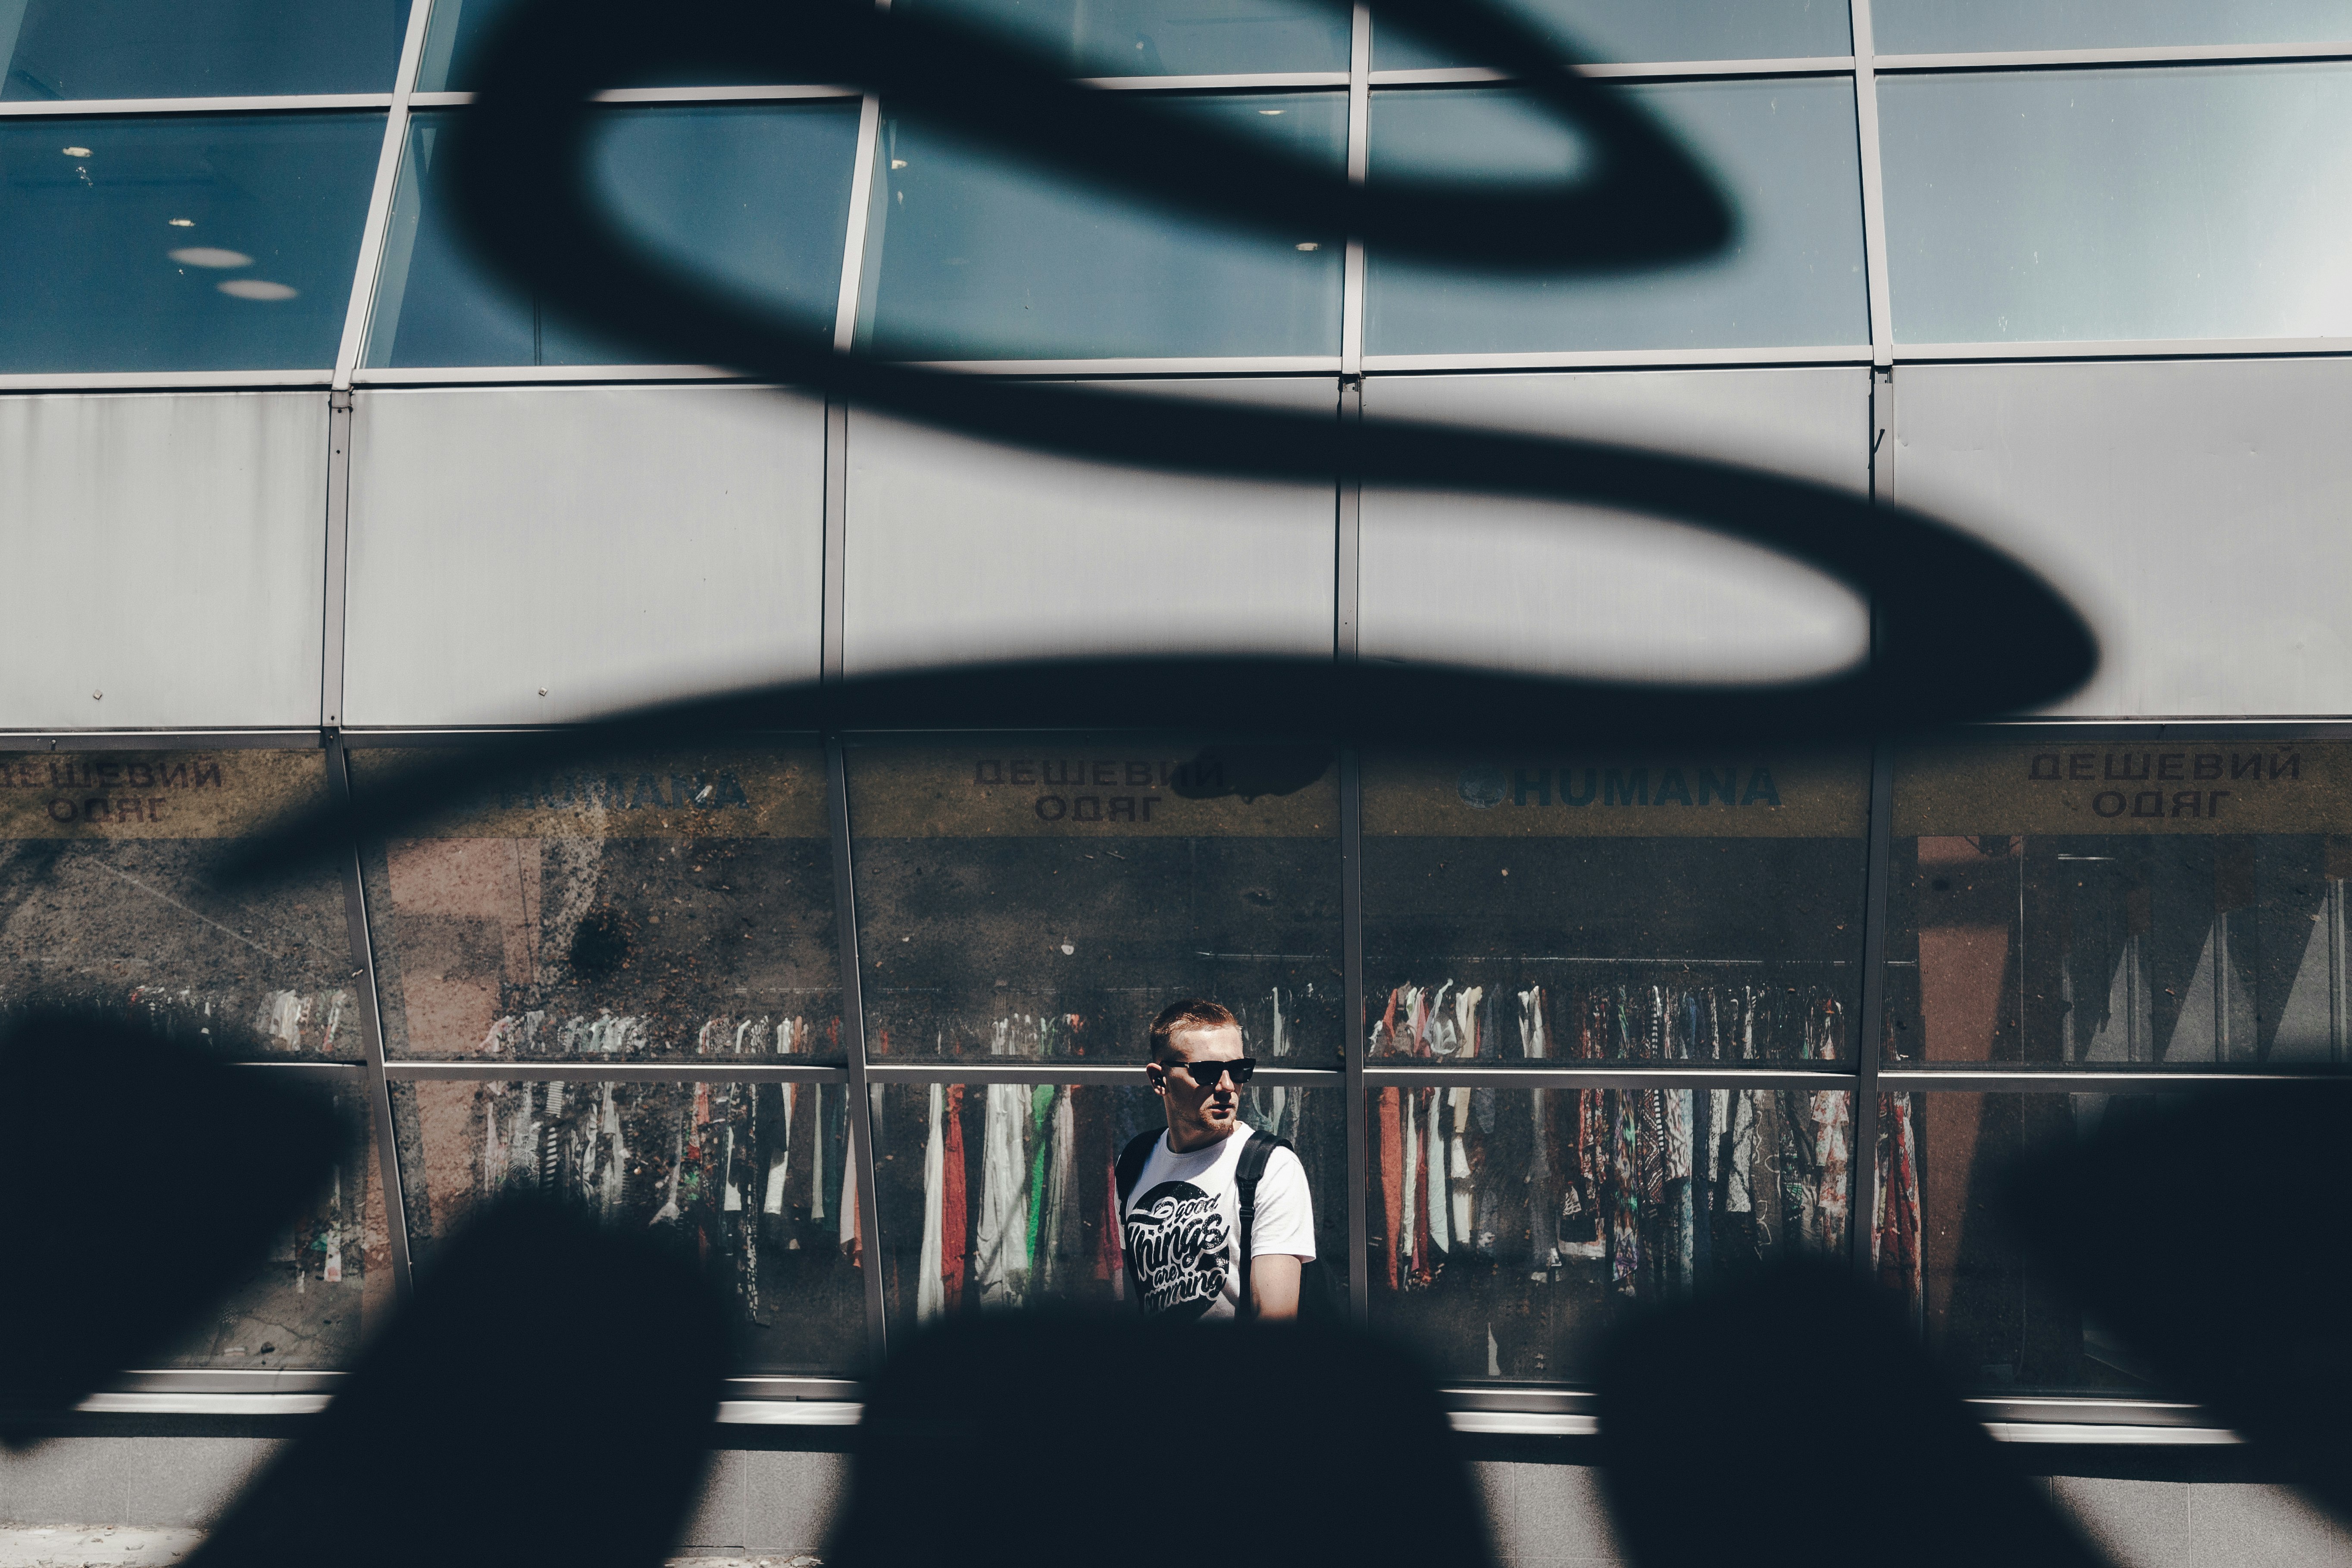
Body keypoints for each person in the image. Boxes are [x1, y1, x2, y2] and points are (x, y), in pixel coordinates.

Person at [1119, 998, 1314, 1321]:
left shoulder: (1270, 1167)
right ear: (1159, 1080)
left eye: (1239, 1069)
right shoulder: (1134, 1162)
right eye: (1206, 1071)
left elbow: (1276, 1319)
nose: (1227, 1086)